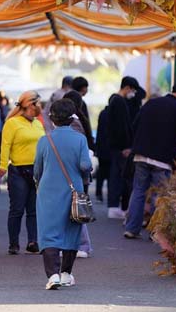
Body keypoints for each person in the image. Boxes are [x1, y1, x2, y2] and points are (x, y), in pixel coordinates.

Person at [124, 81, 176, 239]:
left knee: (138, 191)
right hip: (162, 159)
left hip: (140, 155)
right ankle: (157, 232)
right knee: (160, 196)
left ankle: (131, 228)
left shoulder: (151, 103)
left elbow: (135, 124)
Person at [34, 99, 92, 290]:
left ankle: (53, 275)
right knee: (71, 231)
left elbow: (37, 170)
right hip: (73, 191)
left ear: (52, 119)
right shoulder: (80, 139)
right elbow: (85, 165)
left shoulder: (45, 140)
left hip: (48, 192)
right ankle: (66, 274)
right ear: (72, 118)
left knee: (49, 232)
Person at [0, 90, 45, 255]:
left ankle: (33, 241)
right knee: (17, 209)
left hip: (37, 171)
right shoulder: (12, 123)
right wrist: (2, 166)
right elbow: (5, 145)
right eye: (38, 103)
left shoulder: (38, 123)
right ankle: (14, 243)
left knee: (33, 210)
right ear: (29, 104)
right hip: (18, 170)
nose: (40, 106)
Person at [62, 90, 95, 258]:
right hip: (77, 174)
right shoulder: (80, 120)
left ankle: (82, 245)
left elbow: (77, 152)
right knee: (76, 209)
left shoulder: (73, 123)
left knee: (75, 210)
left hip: (74, 174)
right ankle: (79, 245)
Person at [104, 76, 139, 219]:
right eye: (133, 90)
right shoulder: (119, 102)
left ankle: (114, 206)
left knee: (117, 176)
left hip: (116, 146)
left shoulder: (115, 100)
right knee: (119, 177)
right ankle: (114, 206)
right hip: (120, 147)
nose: (133, 93)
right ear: (127, 87)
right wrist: (125, 146)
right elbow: (121, 127)